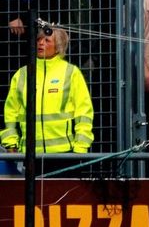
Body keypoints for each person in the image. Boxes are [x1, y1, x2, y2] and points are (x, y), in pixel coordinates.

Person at [2, 24, 93, 167]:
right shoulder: (22, 74)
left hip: (65, 154)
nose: (41, 43)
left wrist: (80, 148)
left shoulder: (71, 73)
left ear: (58, 46)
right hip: (30, 155)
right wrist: (10, 143)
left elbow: (84, 113)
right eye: (39, 40)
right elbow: (10, 113)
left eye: (47, 41)